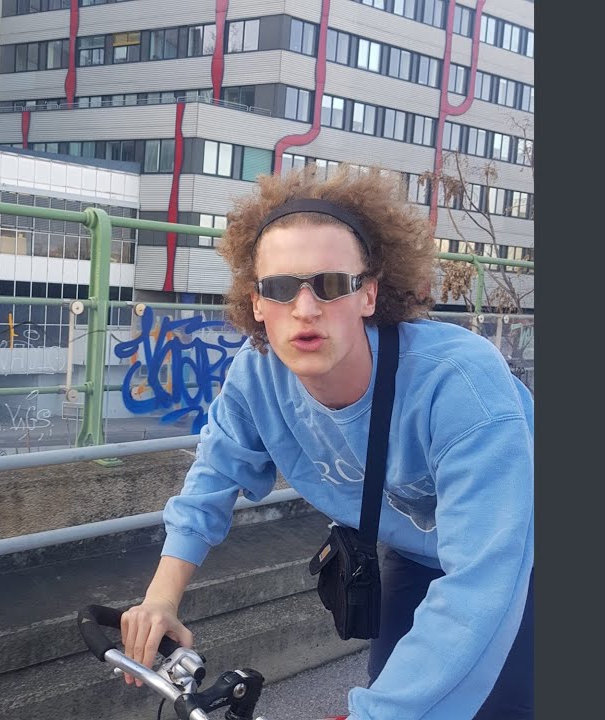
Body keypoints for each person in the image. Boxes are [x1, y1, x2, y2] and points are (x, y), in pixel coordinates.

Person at [119, 164, 534, 719]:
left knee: (494, 701)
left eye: (332, 284)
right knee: (395, 684)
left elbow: (484, 580)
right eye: (279, 288)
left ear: (369, 294)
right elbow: (213, 478)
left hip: (519, 547)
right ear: (256, 303)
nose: (306, 309)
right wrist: (160, 600)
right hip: (420, 552)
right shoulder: (257, 375)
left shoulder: (457, 381)